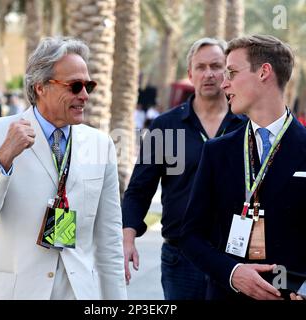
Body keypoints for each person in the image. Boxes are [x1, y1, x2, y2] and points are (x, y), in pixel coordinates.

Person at [180, 35, 306, 300]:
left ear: (264, 72)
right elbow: (191, 236)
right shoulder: (216, 151)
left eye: (233, 72)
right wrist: (233, 273)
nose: (224, 82)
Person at [0, 36, 126, 300]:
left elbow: (109, 242)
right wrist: (4, 158)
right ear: (40, 87)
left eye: (88, 85)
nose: (84, 95)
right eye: (75, 86)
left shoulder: (100, 144)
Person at [122, 38, 247, 300]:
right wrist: (127, 237)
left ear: (228, 72)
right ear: (190, 74)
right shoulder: (167, 126)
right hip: (181, 257)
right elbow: (140, 189)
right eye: (200, 67)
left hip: (233, 258)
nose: (209, 74)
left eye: (216, 66)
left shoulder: (246, 125)